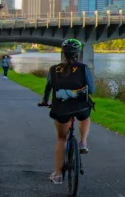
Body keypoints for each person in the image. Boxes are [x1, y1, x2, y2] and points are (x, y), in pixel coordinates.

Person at [39, 39, 95, 184]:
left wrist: (45, 101)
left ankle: (58, 175)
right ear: (78, 54)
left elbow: (47, 88)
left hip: (61, 109)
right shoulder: (83, 68)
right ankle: (83, 142)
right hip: (80, 106)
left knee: (61, 139)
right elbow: (92, 90)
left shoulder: (54, 69)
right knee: (85, 116)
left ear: (63, 53)